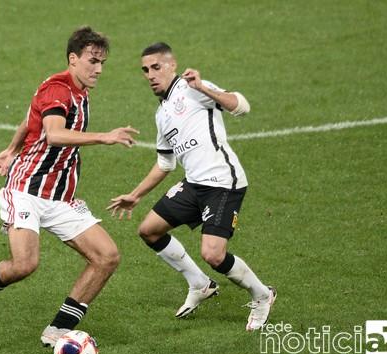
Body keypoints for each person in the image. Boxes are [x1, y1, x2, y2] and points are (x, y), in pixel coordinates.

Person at [0, 26, 139, 347]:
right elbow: (54, 133)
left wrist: (10, 148)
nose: (99, 69)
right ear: (73, 59)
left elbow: (28, 120)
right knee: (25, 264)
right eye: (93, 61)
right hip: (25, 190)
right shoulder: (58, 89)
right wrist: (104, 136)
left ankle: (59, 329)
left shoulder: (78, 91)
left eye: (103, 62)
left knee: (107, 256)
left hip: (60, 197)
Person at [107, 42, 276, 331]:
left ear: (172, 65)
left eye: (156, 67)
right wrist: (135, 195)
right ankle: (199, 284)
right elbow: (165, 163)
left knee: (213, 254)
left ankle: (262, 294)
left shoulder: (194, 89)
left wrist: (203, 88)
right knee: (149, 230)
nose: (150, 75)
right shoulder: (161, 114)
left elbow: (242, 107)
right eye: (145, 70)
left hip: (223, 183)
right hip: (194, 184)